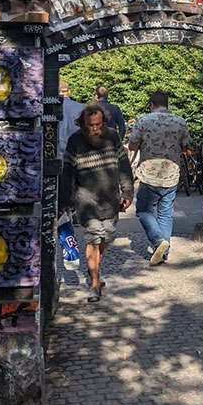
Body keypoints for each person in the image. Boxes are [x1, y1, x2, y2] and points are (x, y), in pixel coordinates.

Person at [60, 103, 133, 302]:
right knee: (93, 239)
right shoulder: (75, 140)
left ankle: (95, 268)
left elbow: (123, 165)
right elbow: (67, 171)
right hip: (85, 200)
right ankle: (94, 282)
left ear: (104, 122)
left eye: (98, 124)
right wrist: (64, 200)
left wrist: (127, 192)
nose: (95, 128)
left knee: (106, 238)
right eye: (90, 125)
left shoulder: (112, 137)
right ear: (83, 124)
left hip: (110, 198)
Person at [127, 90, 190, 265]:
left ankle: (157, 241)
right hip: (171, 175)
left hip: (149, 175)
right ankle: (164, 252)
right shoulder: (180, 122)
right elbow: (185, 146)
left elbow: (132, 146)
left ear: (151, 105)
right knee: (166, 213)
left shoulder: (144, 121)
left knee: (143, 211)